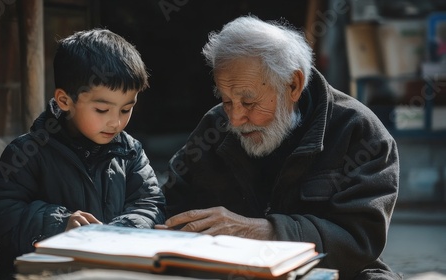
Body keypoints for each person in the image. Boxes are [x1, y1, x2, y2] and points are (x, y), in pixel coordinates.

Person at [156, 15, 401, 279]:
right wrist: (132, 222)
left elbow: (360, 239)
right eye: (227, 101)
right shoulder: (215, 126)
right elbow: (169, 203)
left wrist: (263, 231)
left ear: (293, 85)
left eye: (249, 103)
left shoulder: (359, 131)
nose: (235, 119)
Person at [0, 28, 165, 280]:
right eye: (102, 109)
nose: (115, 123)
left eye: (126, 109)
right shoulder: (27, 152)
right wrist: (60, 225)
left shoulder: (130, 152)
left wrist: (122, 231)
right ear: (64, 101)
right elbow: (1, 216)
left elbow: (150, 205)